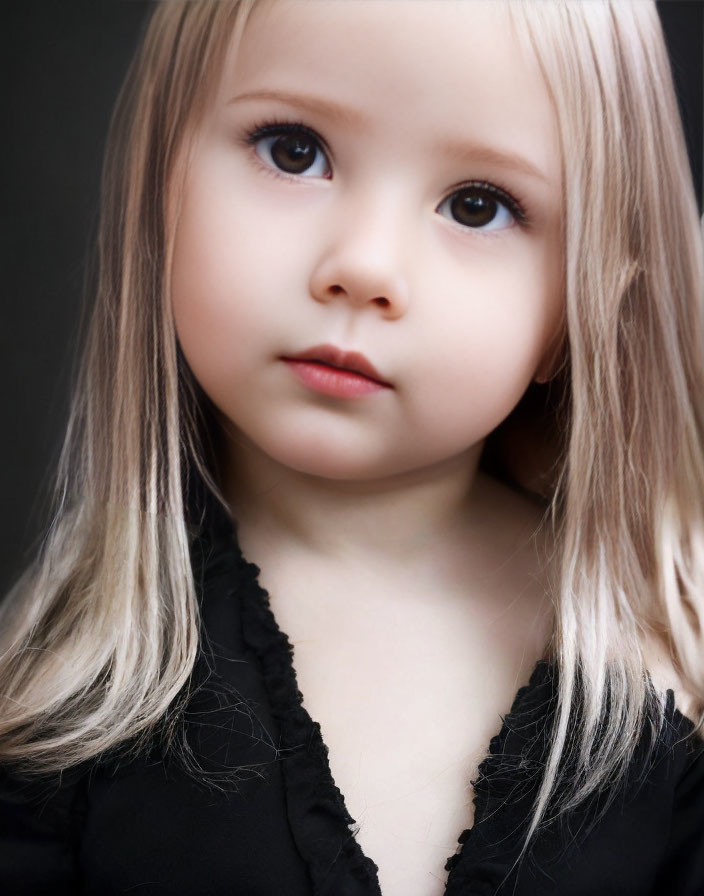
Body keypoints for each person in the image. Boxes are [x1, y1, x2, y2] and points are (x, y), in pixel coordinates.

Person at [1, 0, 703, 893]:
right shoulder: (62, 699)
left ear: (585, 305)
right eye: (295, 150)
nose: (364, 266)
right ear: (157, 175)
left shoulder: (669, 680)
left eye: (478, 205)